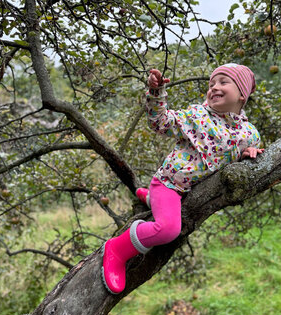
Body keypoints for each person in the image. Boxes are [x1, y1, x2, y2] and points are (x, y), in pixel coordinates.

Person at [102, 63, 264, 294]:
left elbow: (246, 152)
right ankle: (117, 248)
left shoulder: (249, 134)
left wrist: (248, 153)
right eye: (211, 84)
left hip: (191, 190)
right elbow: (160, 122)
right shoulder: (197, 116)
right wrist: (156, 93)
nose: (214, 87)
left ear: (242, 94)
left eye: (223, 82)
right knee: (168, 229)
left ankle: (150, 200)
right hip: (169, 185)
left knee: (168, 213)